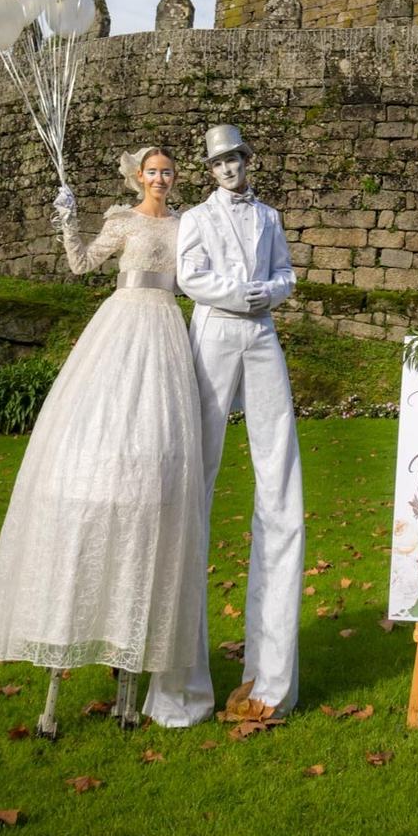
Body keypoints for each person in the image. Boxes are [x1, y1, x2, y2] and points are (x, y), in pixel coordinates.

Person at [0, 147, 204, 737]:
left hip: (168, 334)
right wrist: (67, 217)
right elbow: (79, 264)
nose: (160, 178)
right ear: (138, 176)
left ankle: (130, 679)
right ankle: (58, 674)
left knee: (157, 467)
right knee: (98, 442)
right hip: (122, 327)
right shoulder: (121, 222)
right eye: (152, 171)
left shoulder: (187, 224)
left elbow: (201, 280)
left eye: (168, 171)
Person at [144, 124, 302, 728]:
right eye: (218, 162)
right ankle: (184, 685)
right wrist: (243, 293)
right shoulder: (198, 219)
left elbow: (286, 273)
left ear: (247, 160)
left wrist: (271, 292)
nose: (228, 169)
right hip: (212, 332)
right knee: (195, 482)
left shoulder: (268, 216)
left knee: (280, 478)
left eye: (235, 159)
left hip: (261, 335)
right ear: (209, 171)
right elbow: (192, 277)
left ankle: (274, 680)